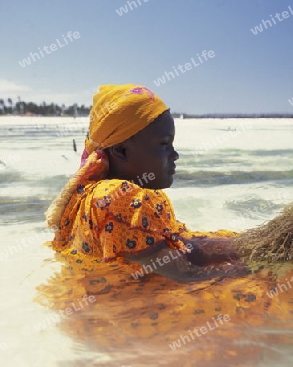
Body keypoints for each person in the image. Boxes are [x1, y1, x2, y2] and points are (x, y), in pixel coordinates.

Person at [45, 83, 242, 283]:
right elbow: (186, 273)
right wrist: (255, 269)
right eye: (164, 144)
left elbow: (179, 245)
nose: (175, 155)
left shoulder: (95, 191)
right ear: (121, 151)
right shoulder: (118, 197)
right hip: (124, 307)